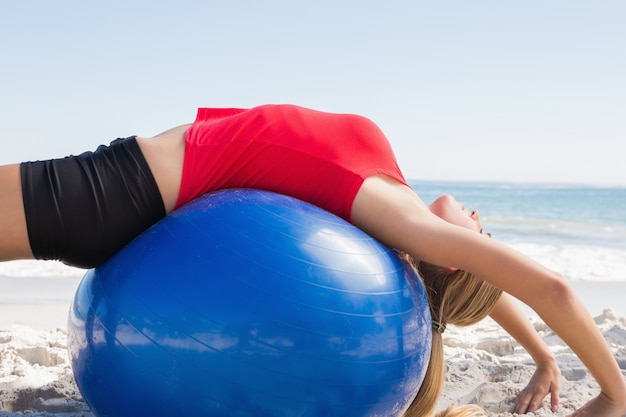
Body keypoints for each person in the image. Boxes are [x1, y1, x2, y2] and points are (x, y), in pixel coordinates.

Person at [0, 104, 624, 416]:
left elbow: (553, 292)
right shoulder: (395, 211)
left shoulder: (406, 225)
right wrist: (543, 356)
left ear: (457, 258)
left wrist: (614, 396)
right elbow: (489, 293)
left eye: (481, 233)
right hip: (137, 212)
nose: (479, 218)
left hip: (118, 194)